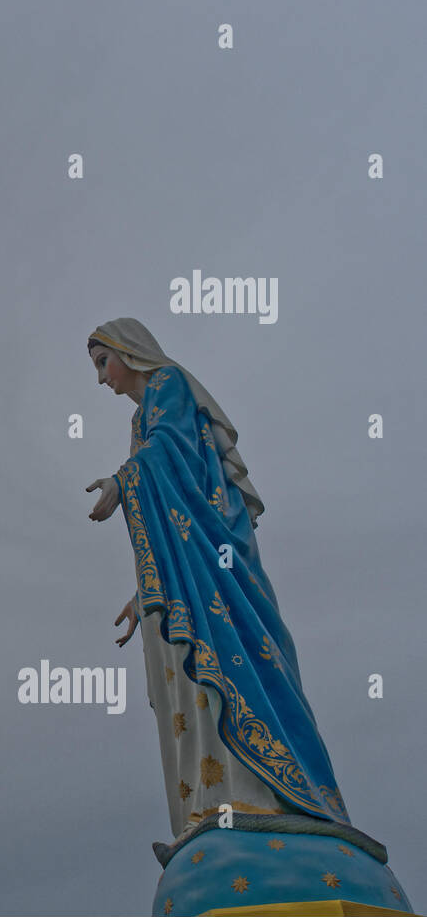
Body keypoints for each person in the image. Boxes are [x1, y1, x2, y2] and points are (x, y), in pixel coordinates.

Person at [83, 318, 349, 847]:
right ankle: (216, 799)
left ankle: (269, 797)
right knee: (191, 677)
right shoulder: (140, 425)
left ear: (127, 353)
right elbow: (166, 522)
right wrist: (146, 590)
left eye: (101, 362)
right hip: (186, 575)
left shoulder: (169, 387)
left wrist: (121, 479)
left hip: (218, 566)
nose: (100, 379)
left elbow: (178, 465)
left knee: (244, 661)